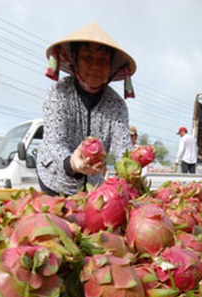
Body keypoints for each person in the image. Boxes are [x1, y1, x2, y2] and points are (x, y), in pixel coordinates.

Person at [37, 23, 136, 196]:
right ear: (74, 60)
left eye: (103, 61)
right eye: (87, 58)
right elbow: (55, 142)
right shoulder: (59, 93)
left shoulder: (117, 105)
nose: (95, 66)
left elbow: (123, 151)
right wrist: (72, 163)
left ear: (111, 67)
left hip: (93, 187)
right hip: (55, 180)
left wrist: (132, 170)